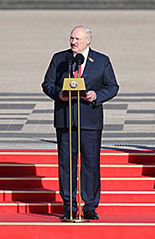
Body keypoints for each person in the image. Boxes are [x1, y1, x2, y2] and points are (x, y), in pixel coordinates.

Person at [42, 25, 119, 220]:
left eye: (77, 39)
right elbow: (47, 84)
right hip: (65, 119)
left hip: (90, 121)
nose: (73, 42)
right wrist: (58, 94)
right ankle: (69, 205)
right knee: (66, 164)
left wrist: (96, 95)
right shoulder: (60, 59)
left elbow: (113, 86)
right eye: (71, 38)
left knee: (90, 163)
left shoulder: (101, 61)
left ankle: (90, 206)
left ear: (88, 40)